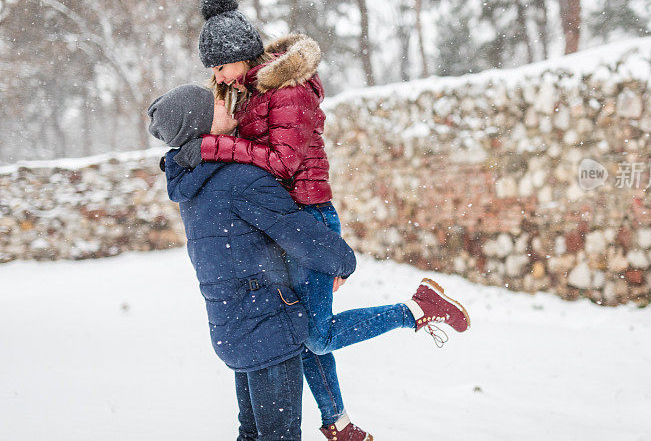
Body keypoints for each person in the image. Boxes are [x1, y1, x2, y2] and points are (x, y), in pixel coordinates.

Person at [149, 84, 470, 441]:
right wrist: (342, 261)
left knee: (252, 432)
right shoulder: (237, 178)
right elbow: (296, 230)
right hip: (266, 326)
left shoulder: (191, 186)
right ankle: (414, 311)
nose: (229, 106)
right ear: (202, 122)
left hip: (232, 326)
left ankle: (340, 422)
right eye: (218, 105)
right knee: (281, 426)